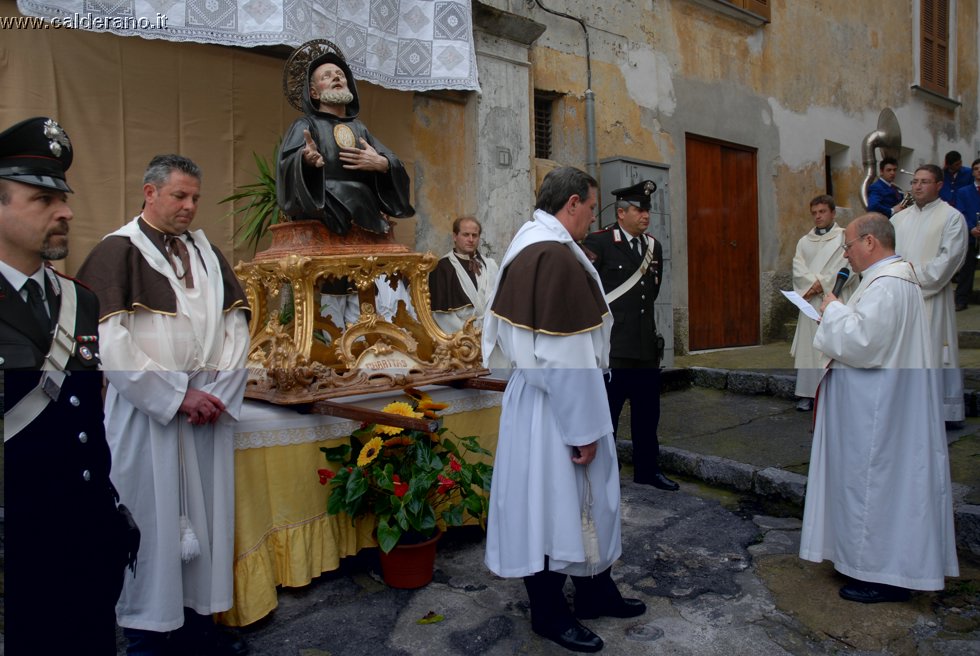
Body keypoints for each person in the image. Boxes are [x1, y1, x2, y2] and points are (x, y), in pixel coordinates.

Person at [77, 154, 251, 656]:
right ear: (150, 193)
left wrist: (214, 393)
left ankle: (199, 626)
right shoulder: (118, 251)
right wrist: (177, 396)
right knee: (149, 525)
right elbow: (110, 344)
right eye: (179, 196)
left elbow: (236, 327)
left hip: (208, 412)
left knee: (208, 521)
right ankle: (147, 636)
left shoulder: (207, 252)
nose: (190, 206)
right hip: (146, 415)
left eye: (195, 197)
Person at [482, 166, 645, 653]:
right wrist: (584, 430)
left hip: (548, 401)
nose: (594, 217)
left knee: (584, 503)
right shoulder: (550, 254)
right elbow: (563, 355)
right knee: (552, 509)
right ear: (571, 203)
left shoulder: (536, 243)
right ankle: (549, 612)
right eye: (592, 207)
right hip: (556, 409)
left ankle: (596, 590)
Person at [1, 116, 133, 654]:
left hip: (86, 535)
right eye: (42, 200)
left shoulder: (81, 300)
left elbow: (86, 416)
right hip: (17, 546)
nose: (66, 212)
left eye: (64, 198)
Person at [799, 213, 959, 604]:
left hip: (879, 413)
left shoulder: (887, 284)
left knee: (876, 485)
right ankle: (867, 564)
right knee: (882, 486)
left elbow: (865, 342)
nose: (846, 254)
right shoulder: (890, 280)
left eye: (849, 246)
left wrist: (834, 309)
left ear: (870, 242)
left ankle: (882, 576)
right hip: (883, 404)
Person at [582, 180, 677, 490]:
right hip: (614, 349)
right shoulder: (598, 243)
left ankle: (648, 471)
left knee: (648, 418)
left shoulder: (653, 246)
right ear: (621, 213)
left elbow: (650, 293)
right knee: (606, 417)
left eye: (647, 210)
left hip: (645, 348)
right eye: (638, 210)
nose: (645, 215)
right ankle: (603, 475)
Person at [277, 40, 414, 235]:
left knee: (361, 191)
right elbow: (287, 165)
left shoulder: (359, 128)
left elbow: (393, 161)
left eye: (340, 74)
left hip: (363, 200)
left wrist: (382, 163)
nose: (336, 78)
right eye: (327, 76)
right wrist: (305, 161)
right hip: (327, 201)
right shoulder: (306, 125)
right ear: (314, 92)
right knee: (352, 191)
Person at [890, 164, 967, 425]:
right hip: (899, 300)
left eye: (925, 182)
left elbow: (949, 261)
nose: (918, 186)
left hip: (932, 299)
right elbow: (885, 255)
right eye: (915, 182)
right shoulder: (898, 219)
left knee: (932, 353)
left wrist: (907, 276)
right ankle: (904, 410)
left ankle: (935, 413)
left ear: (939, 185)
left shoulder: (952, 217)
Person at [789, 195, 853, 412]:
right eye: (814, 213)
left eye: (822, 212)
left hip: (834, 299)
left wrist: (822, 284)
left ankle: (833, 395)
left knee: (831, 348)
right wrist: (812, 286)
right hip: (810, 303)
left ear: (833, 213)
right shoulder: (803, 242)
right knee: (810, 349)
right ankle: (807, 393)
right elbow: (798, 269)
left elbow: (848, 265)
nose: (818, 216)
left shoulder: (844, 237)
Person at [428, 216, 499, 333]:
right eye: (466, 235)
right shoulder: (442, 268)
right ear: (455, 237)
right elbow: (440, 315)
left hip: (490, 334)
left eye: (474, 235)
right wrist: (468, 334)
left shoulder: (490, 265)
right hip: (459, 339)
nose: (471, 239)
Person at [953, 158, 980, 311]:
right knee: (966, 270)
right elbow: (960, 212)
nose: (979, 171)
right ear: (972, 172)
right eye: (976, 168)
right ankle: (961, 299)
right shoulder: (963, 192)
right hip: (970, 236)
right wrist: (971, 228)